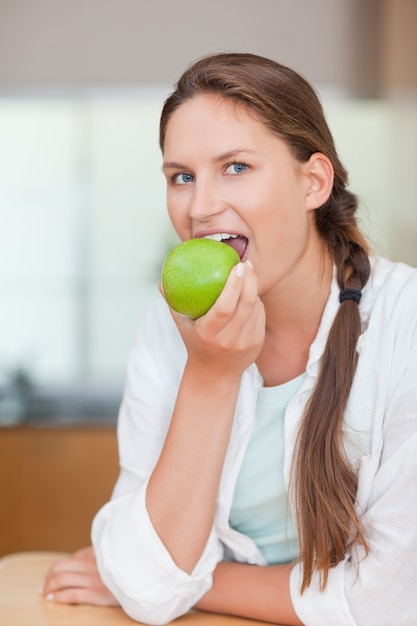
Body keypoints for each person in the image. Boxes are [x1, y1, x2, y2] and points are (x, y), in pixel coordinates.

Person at [41, 52, 417, 625]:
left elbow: (384, 603)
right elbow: (145, 587)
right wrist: (210, 374)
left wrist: (184, 581)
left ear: (313, 181)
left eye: (236, 167)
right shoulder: (171, 328)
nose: (200, 206)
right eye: (182, 177)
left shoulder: (405, 324)